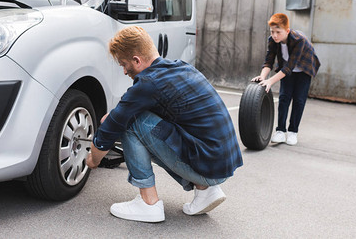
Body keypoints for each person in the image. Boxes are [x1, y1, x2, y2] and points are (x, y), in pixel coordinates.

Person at [86, 26, 243, 223]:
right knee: (129, 116)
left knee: (130, 121)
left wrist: (93, 160)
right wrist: (116, 116)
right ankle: (205, 192)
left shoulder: (148, 83)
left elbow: (109, 130)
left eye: (124, 65)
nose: (125, 71)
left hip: (209, 167)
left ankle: (148, 203)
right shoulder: (180, 68)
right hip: (220, 162)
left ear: (137, 60)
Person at [252, 13, 320, 146]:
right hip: (287, 70)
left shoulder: (298, 40)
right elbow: (268, 61)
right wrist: (263, 77)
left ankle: (293, 132)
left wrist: (270, 81)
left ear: (287, 31)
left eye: (278, 32)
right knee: (284, 98)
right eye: (272, 31)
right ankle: (280, 131)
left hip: (304, 69)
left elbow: (289, 67)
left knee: (299, 100)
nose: (275, 35)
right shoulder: (272, 40)